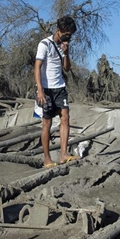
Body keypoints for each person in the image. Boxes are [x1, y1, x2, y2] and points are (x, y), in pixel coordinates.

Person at [34, 15, 80, 168]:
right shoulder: (44, 44)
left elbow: (66, 68)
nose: (68, 36)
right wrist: (40, 90)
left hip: (60, 87)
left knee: (65, 117)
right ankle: (47, 158)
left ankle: (63, 154)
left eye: (71, 34)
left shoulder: (64, 45)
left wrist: (66, 53)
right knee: (46, 122)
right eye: (66, 33)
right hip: (46, 89)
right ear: (59, 30)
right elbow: (37, 67)